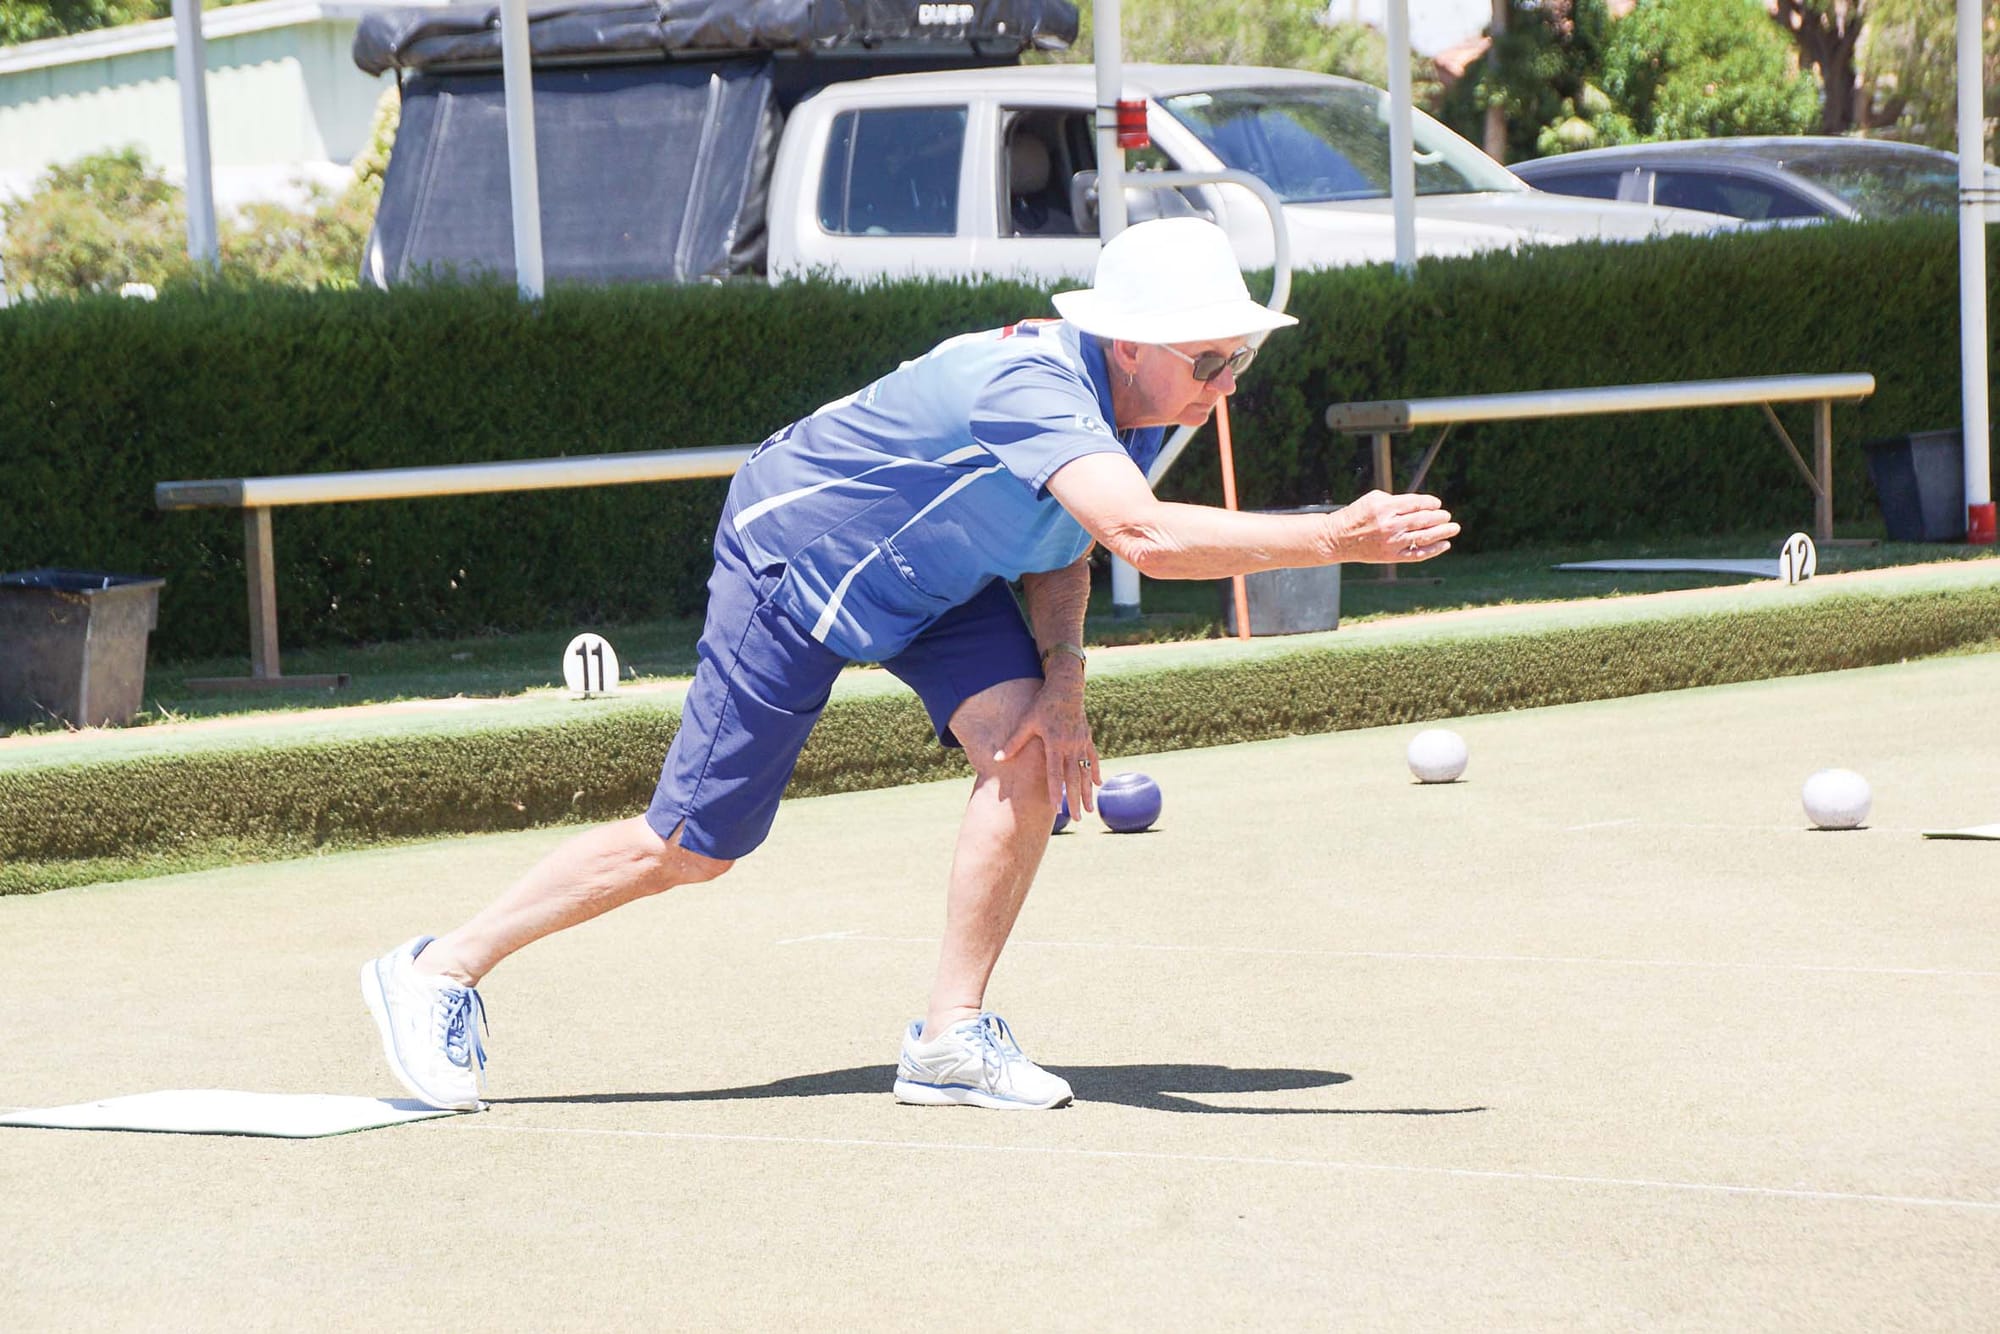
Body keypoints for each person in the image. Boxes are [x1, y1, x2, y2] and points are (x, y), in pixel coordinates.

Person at [362, 217, 1458, 1112]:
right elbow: (1144, 537)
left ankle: (947, 1041)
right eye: (1208, 359)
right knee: (693, 847)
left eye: (1240, 357)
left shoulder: (1133, 405)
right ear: (1127, 342)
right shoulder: (1030, 383)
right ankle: (436, 968)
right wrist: (1333, 536)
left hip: (936, 581)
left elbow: (1065, 543)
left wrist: (1064, 681)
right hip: (801, 561)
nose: (1227, 381)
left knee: (1029, 752)